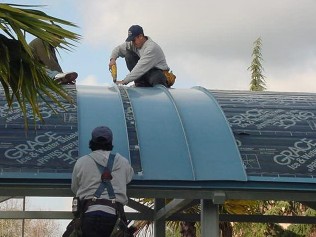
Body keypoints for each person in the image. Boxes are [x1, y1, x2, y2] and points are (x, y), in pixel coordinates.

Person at [71, 126, 134, 237]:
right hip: (114, 216)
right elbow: (128, 178)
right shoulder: (123, 162)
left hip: (87, 215)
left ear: (92, 142)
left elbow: (75, 188)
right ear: (110, 142)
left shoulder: (81, 162)